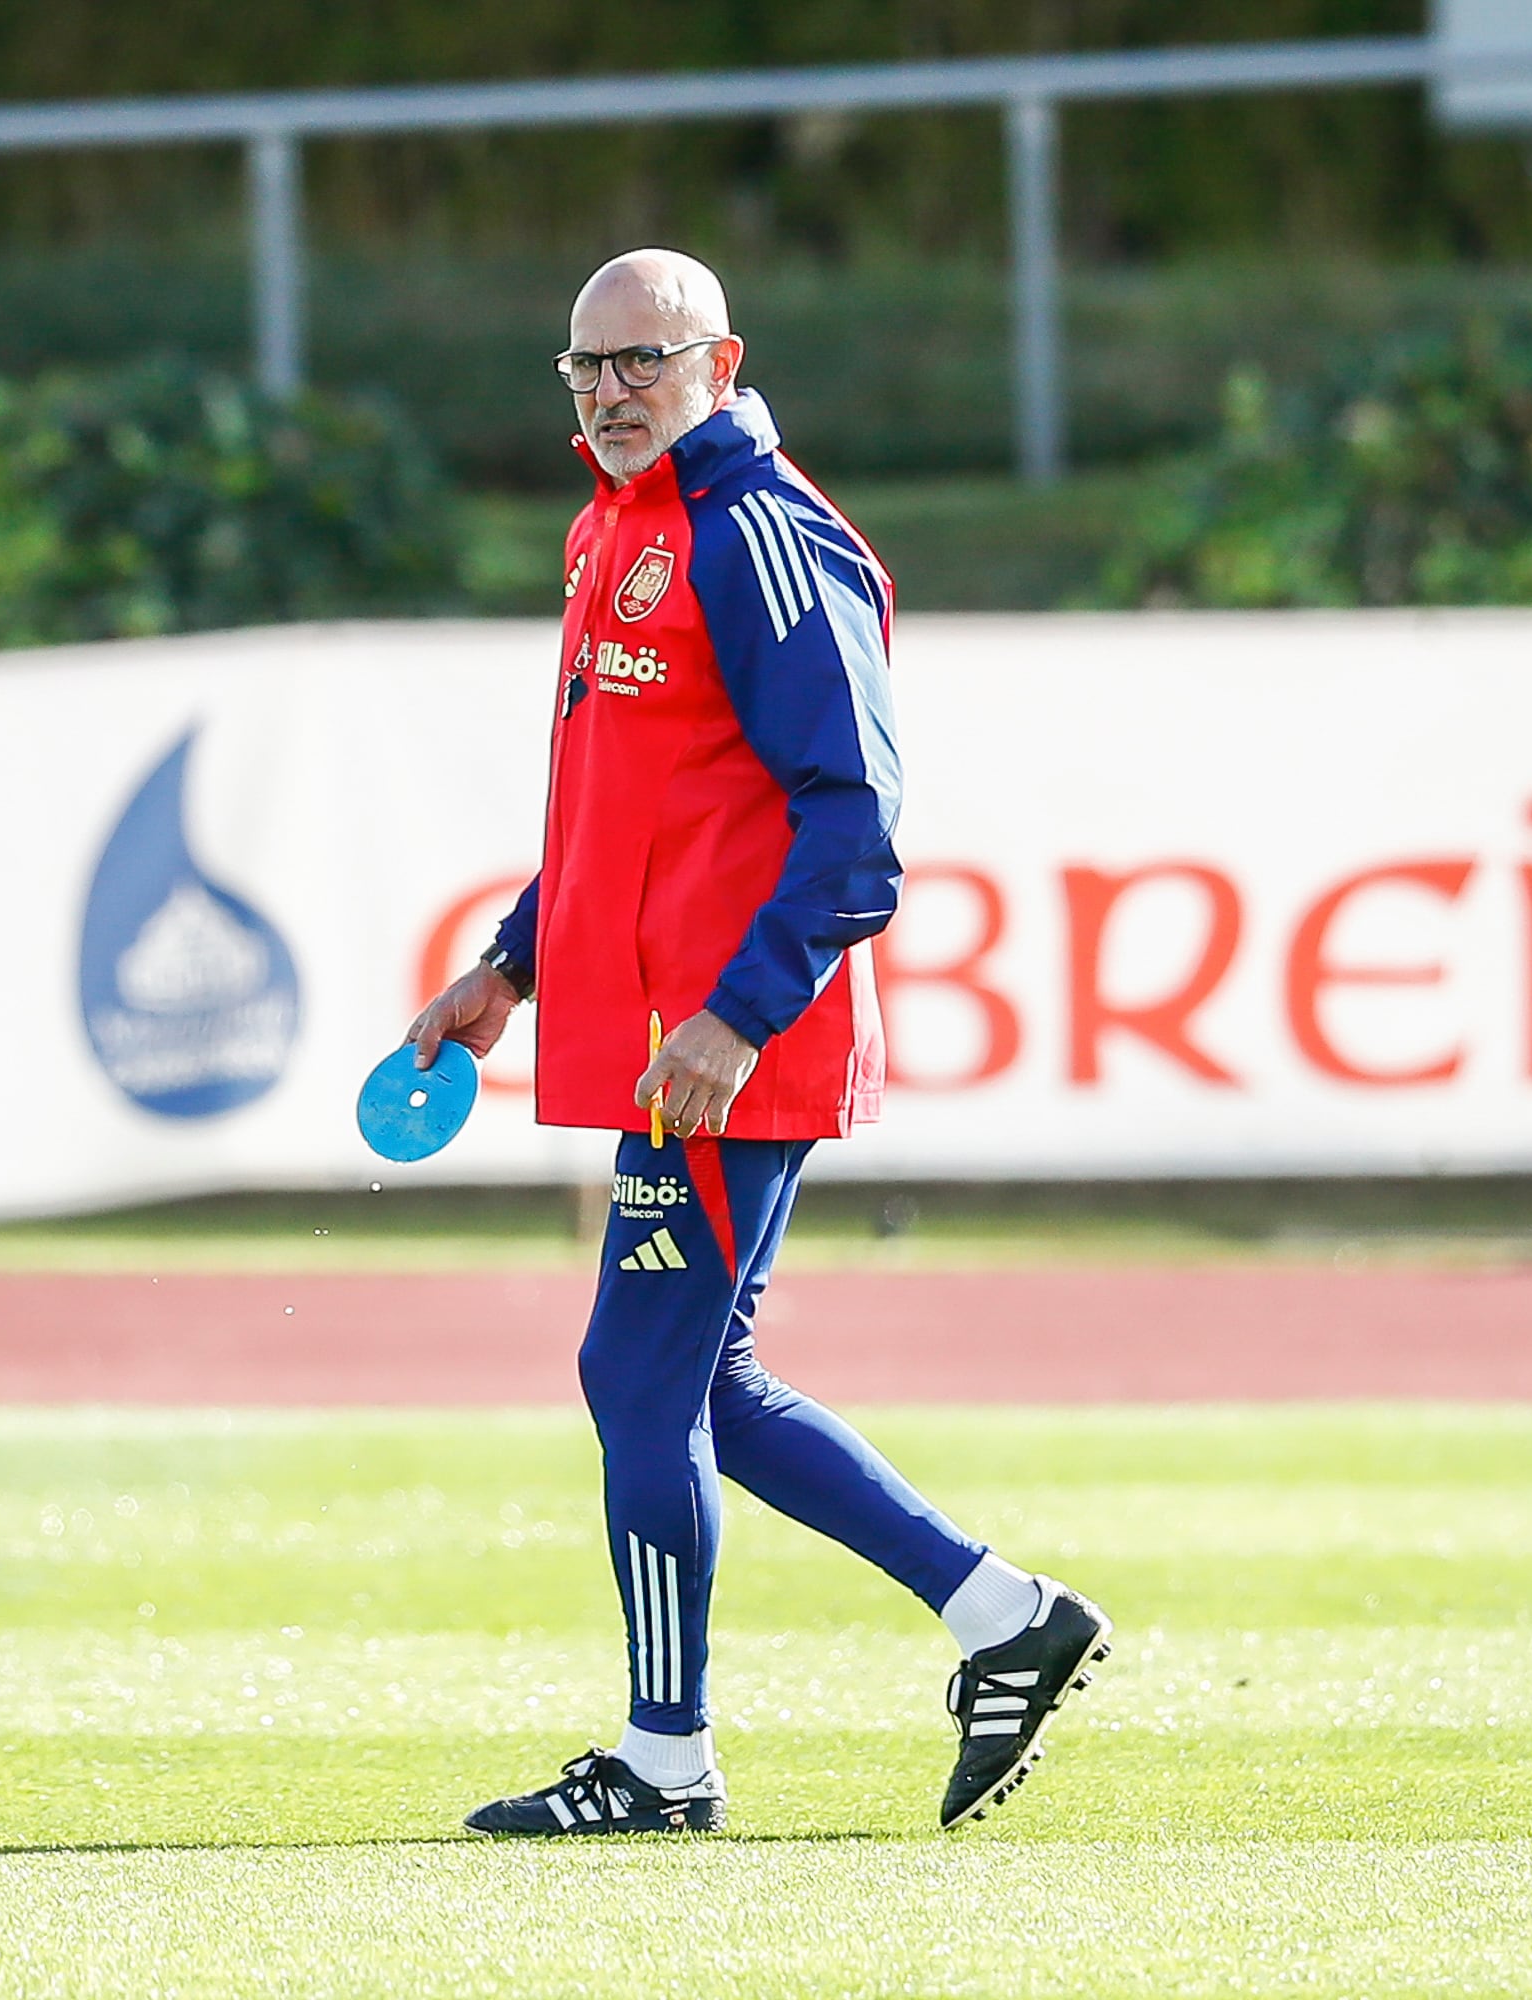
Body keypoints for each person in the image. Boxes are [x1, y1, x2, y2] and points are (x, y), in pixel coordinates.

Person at [405, 247, 1111, 1836]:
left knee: (639, 1384)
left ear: (722, 363)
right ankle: (1003, 1617)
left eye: (642, 363)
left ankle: (667, 1764)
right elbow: (629, 807)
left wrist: (736, 1014)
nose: (609, 393)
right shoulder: (615, 525)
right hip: (673, 1037)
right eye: (586, 367)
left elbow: (856, 829)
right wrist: (512, 962)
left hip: (727, 1047)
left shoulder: (764, 535)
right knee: (692, 1380)